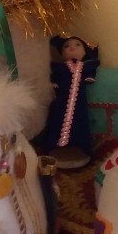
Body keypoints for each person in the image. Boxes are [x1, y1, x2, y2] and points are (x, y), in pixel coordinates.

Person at [44, 34, 100, 169]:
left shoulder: (85, 66)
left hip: (79, 101)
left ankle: (79, 147)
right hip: (62, 100)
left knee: (79, 122)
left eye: (77, 45)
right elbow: (55, 76)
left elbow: (90, 72)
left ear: (85, 51)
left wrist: (89, 77)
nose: (72, 48)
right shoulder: (61, 67)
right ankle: (57, 146)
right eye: (66, 46)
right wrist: (55, 83)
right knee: (59, 119)